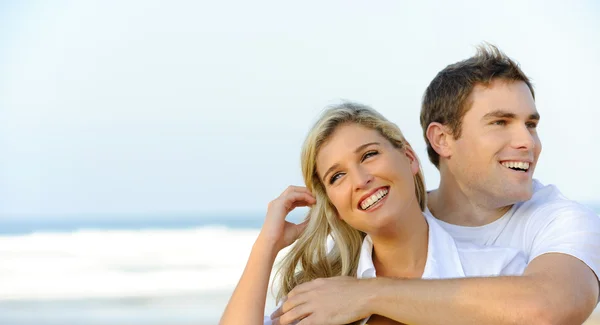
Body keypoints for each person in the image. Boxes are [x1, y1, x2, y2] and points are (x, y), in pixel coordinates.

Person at [271, 44, 600, 325]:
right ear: (442, 139)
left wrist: (367, 294)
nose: (527, 141)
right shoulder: (387, 213)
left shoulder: (563, 220)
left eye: (531, 124)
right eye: (500, 122)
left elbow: (548, 307)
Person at [220, 102, 527, 325]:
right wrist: (266, 246)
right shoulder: (319, 295)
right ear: (335, 208)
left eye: (369, 155)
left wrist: (369, 295)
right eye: (336, 177)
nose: (360, 180)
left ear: (409, 158)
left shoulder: (498, 270)